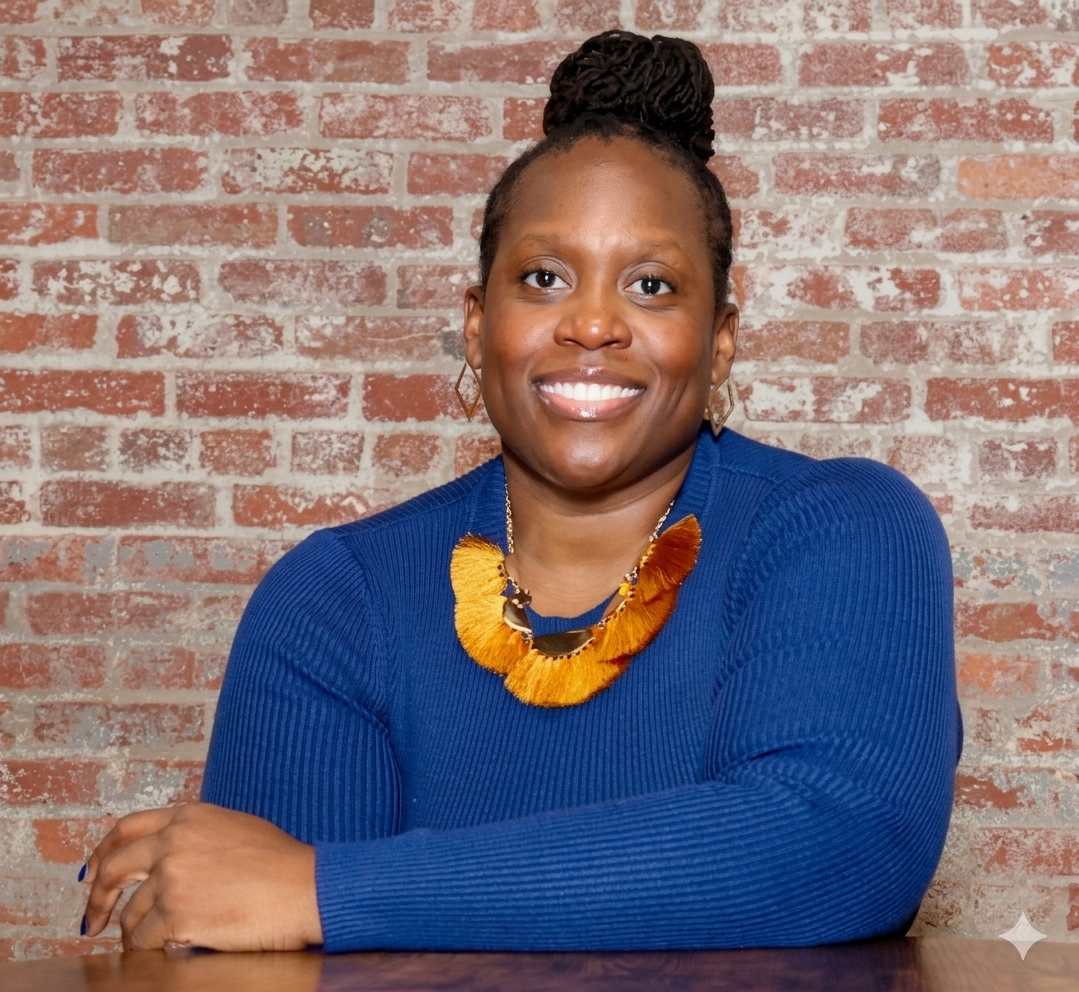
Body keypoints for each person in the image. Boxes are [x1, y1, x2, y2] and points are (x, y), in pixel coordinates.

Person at [80, 30, 961, 953]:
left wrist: (326, 889)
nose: (590, 323)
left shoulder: (840, 532)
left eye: (651, 285)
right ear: (477, 323)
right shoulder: (335, 600)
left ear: (721, 337)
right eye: (543, 278)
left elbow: (833, 844)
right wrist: (297, 900)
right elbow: (242, 935)